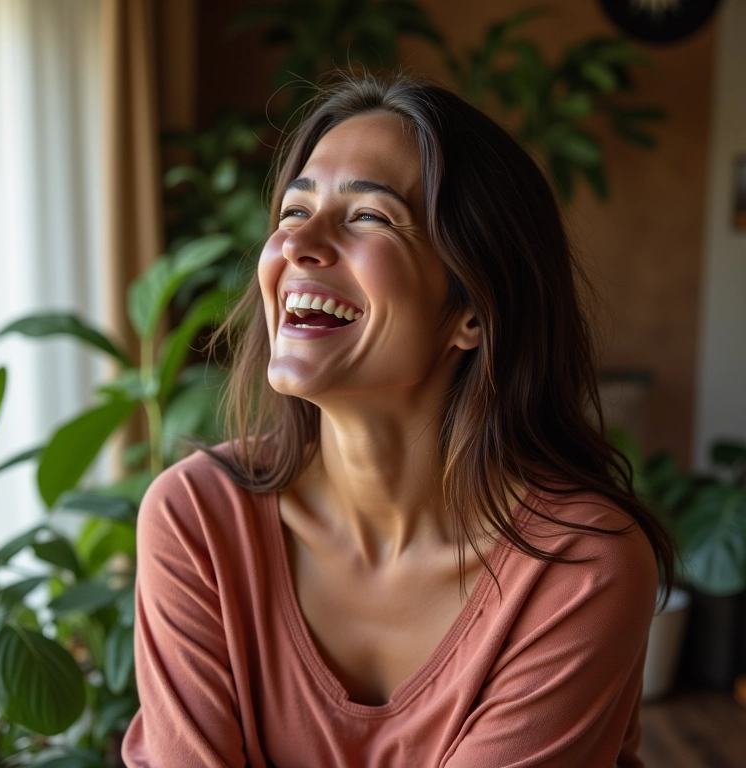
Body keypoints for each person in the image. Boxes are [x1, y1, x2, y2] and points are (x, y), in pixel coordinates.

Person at [122, 72, 675, 768]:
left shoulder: (576, 565)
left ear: (473, 310)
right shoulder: (196, 517)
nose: (299, 244)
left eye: (369, 218)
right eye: (293, 212)